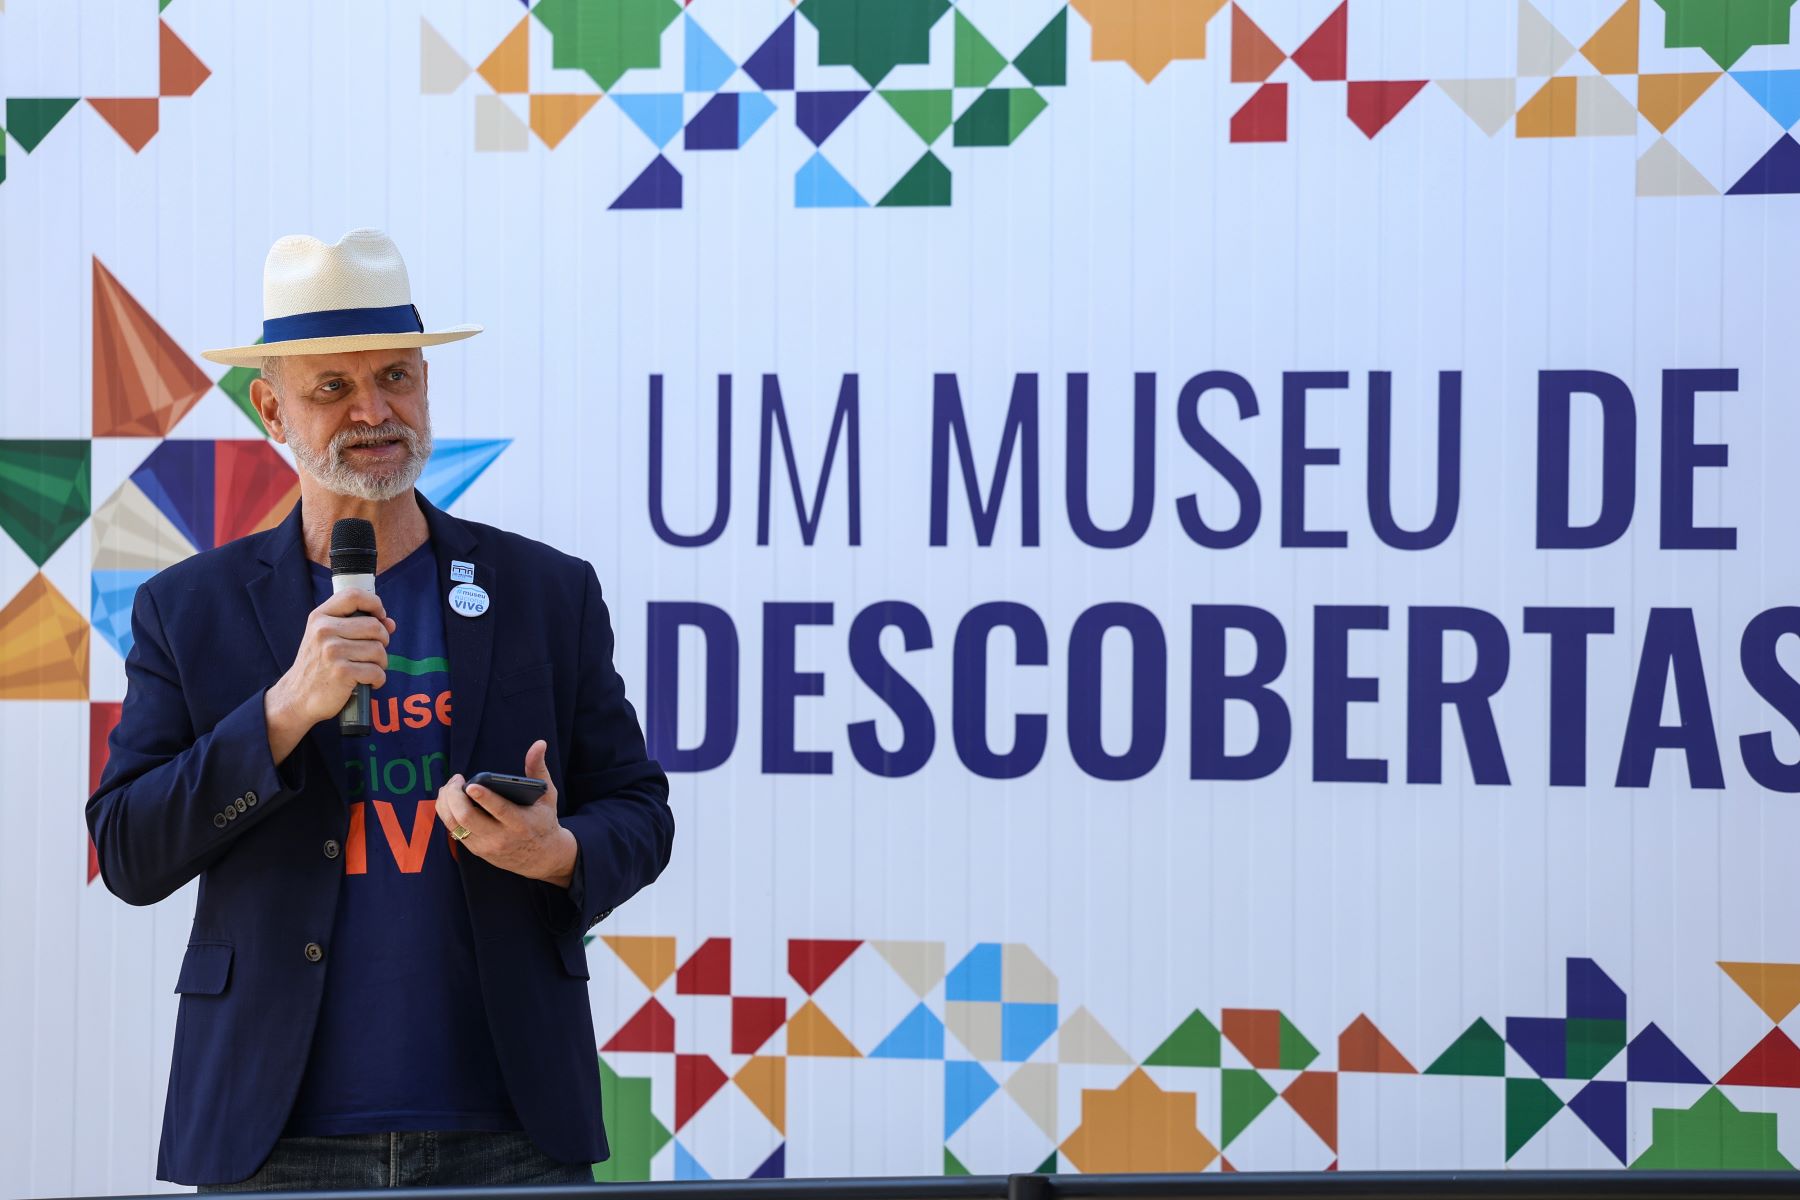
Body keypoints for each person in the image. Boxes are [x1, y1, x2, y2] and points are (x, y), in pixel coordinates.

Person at [86, 229, 674, 1190]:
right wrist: (283, 713)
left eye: (396, 376)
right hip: (273, 1134)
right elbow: (128, 851)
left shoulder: (544, 591)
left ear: (426, 385)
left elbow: (639, 810)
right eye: (332, 388)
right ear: (271, 409)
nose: (373, 411)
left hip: (511, 1127)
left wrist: (560, 853)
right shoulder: (189, 610)